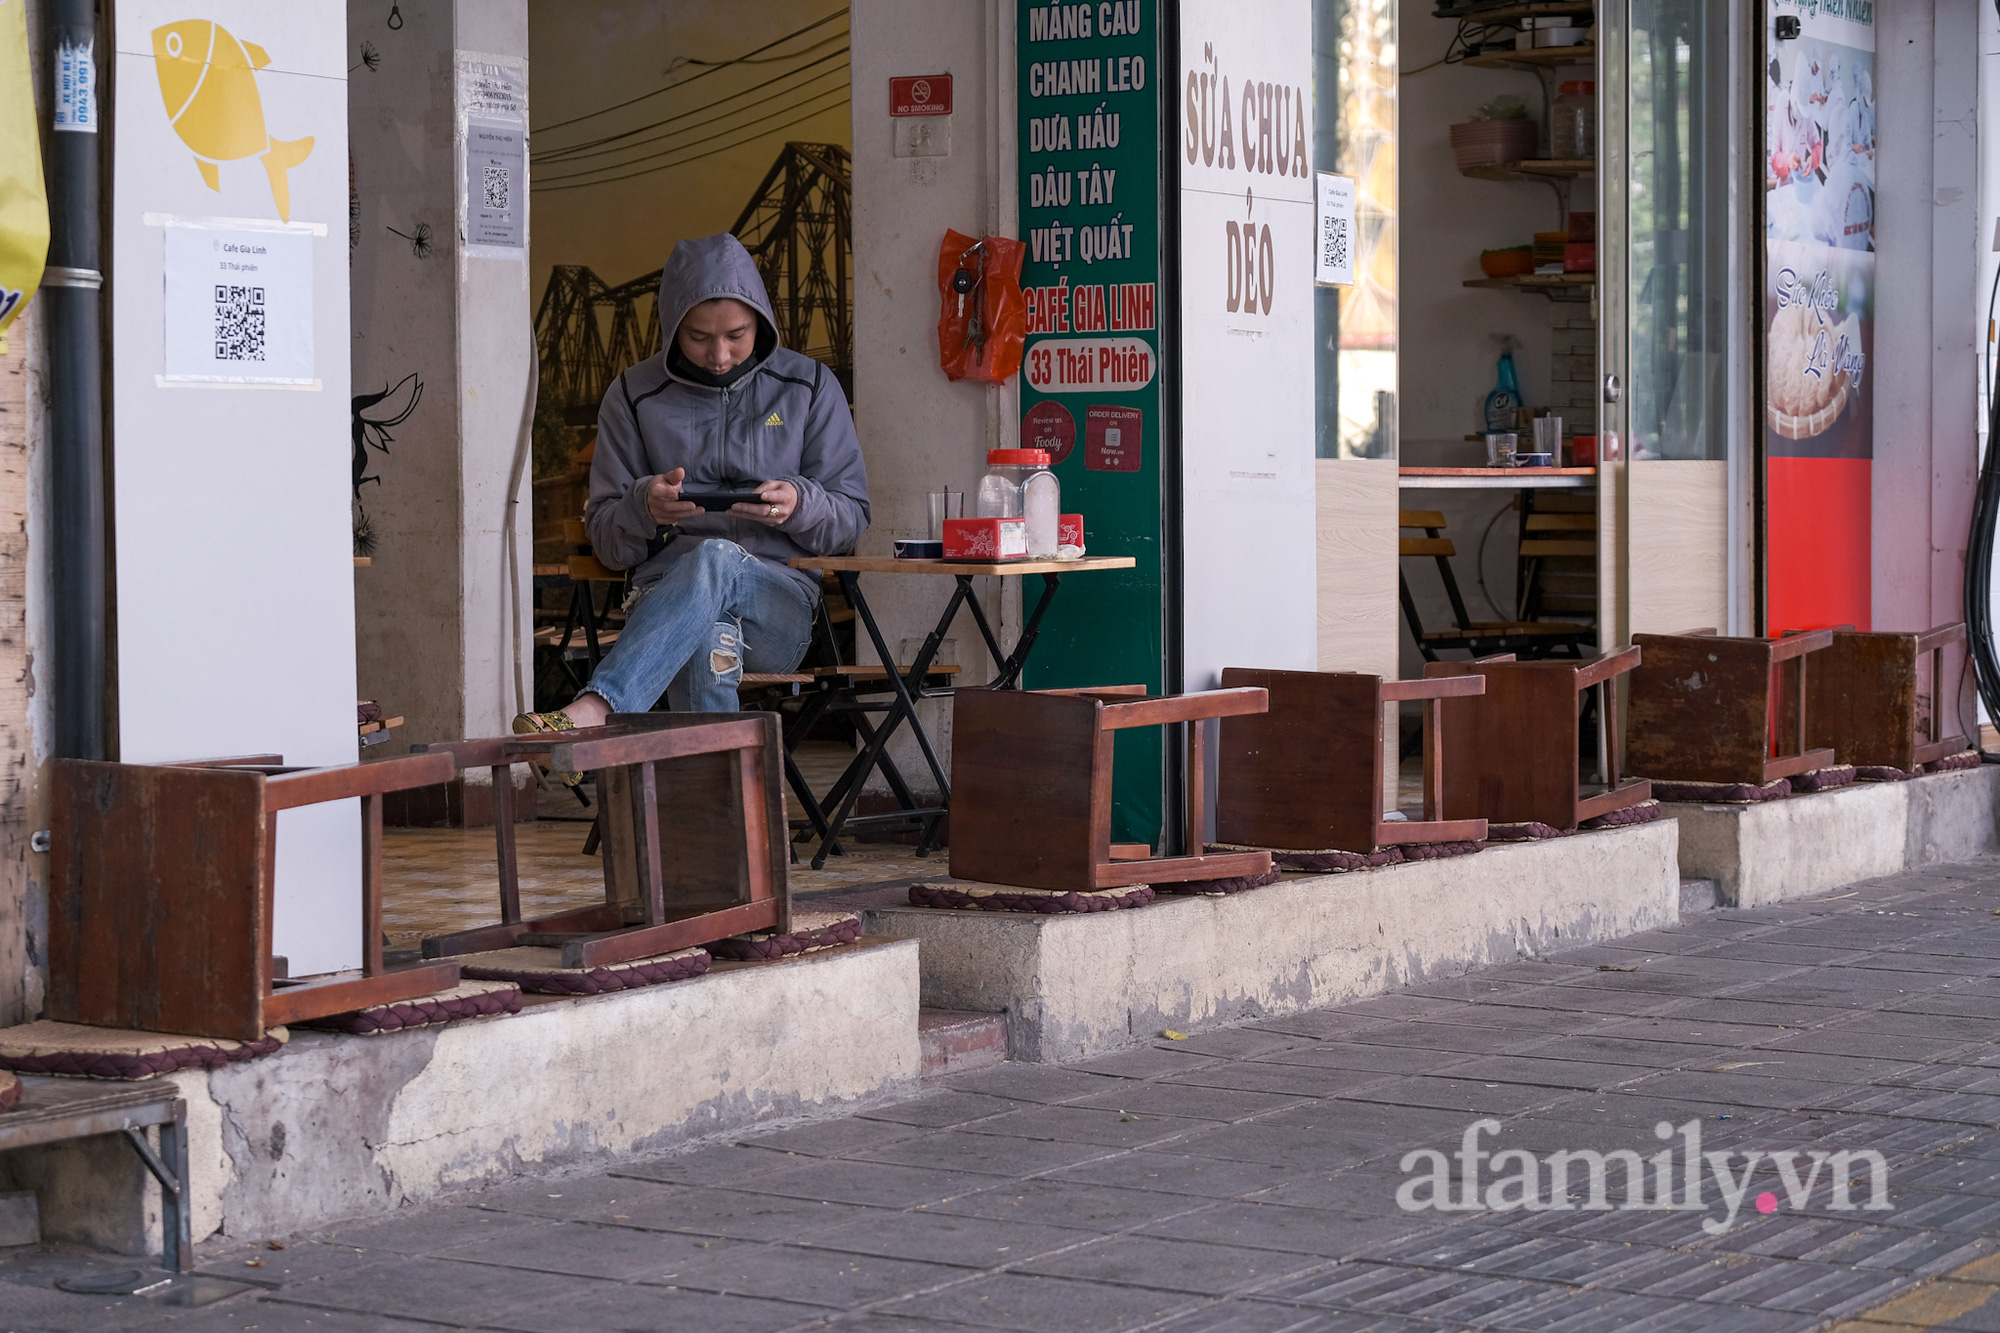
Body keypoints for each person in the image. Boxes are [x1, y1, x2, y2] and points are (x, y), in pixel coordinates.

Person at [513, 233, 869, 745]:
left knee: (717, 557)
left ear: (762, 323)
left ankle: (600, 707)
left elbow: (852, 516)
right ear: (672, 327)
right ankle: (727, 819)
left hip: (778, 608)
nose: (719, 355)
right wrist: (644, 507)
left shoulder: (809, 385)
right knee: (707, 647)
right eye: (699, 337)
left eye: (737, 335)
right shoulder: (633, 395)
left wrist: (799, 505)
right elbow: (610, 546)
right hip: (664, 601)